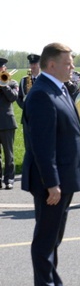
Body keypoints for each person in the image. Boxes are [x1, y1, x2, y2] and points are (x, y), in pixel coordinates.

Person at [21, 43, 80, 286]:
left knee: (55, 237)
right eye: (68, 63)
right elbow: (42, 145)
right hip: (52, 181)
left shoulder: (58, 89)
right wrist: (52, 183)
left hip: (64, 178)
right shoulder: (41, 94)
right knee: (46, 237)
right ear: (51, 65)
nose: (72, 68)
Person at [0, 57, 19, 189]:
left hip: (7, 123)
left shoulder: (12, 83)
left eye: (2, 68)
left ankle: (9, 179)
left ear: (5, 69)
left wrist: (4, 85)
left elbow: (13, 97)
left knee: (9, 154)